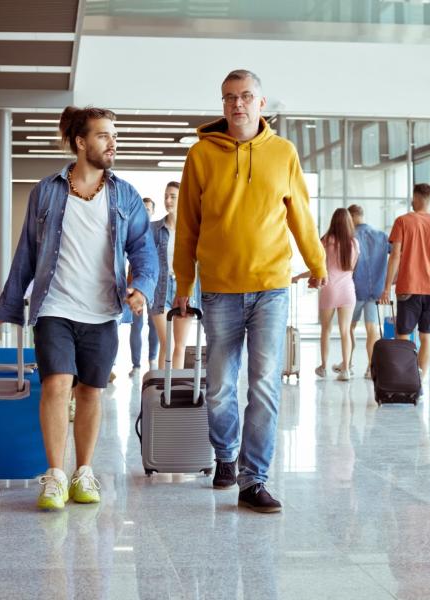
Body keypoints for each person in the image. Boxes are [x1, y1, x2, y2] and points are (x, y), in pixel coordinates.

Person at [0, 106, 157, 511]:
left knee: (90, 392)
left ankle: (83, 471)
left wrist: (141, 288)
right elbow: (26, 253)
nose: (112, 143)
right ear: (81, 143)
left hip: (101, 312)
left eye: (113, 135)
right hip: (55, 306)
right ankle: (55, 475)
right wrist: (9, 305)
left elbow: (144, 252)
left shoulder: (126, 195)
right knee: (56, 385)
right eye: (103, 135)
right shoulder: (47, 191)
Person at [173, 69, 326, 513]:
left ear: (262, 104)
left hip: (271, 289)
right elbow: (187, 227)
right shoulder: (201, 155)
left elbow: (300, 213)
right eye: (229, 98)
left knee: (263, 385)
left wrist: (316, 264)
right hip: (219, 289)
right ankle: (224, 455)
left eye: (245, 97)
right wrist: (184, 283)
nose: (237, 104)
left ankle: (253, 479)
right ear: (222, 105)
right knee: (220, 386)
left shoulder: (283, 153)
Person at [380, 183, 430, 389]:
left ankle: (403, 381)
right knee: (426, 337)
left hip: (408, 287)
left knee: (403, 336)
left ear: (416, 198)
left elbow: (395, 255)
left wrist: (386, 287)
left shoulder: (403, 221)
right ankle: (419, 382)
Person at [293, 208, 360, 381]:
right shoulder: (354, 243)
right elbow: (352, 268)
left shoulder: (326, 241)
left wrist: (300, 276)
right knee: (345, 331)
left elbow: (318, 268)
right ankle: (346, 369)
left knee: (326, 330)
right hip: (348, 291)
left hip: (329, 290)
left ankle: (323, 367)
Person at [150, 182, 200, 369]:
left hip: (185, 288)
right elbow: (146, 258)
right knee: (167, 343)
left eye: (173, 196)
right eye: (166, 196)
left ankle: (175, 390)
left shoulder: (195, 230)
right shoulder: (153, 229)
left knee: (180, 346)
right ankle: (163, 390)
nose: (168, 200)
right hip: (160, 289)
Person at [346, 203, 391, 378]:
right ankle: (371, 369)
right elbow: (396, 254)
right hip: (376, 292)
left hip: (355, 290)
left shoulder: (351, 237)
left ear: (352, 217)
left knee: (348, 327)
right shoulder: (382, 236)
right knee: (372, 329)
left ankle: (347, 364)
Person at [128, 197, 160, 376]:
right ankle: (136, 365)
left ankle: (152, 360)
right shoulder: (134, 229)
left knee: (154, 325)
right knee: (136, 325)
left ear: (153, 211)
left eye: (149, 209)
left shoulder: (157, 230)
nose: (146, 211)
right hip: (135, 285)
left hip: (154, 286)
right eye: (143, 208)